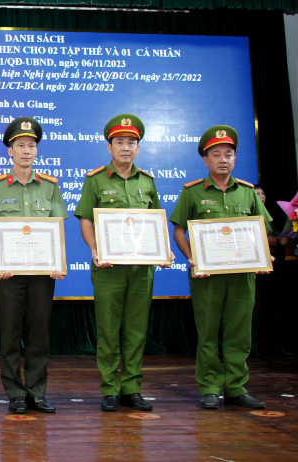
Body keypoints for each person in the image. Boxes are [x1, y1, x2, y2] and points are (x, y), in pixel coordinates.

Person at [74, 114, 173, 412]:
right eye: (120, 142)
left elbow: (156, 223)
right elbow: (87, 220)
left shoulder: (148, 182)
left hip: (142, 269)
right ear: (109, 147)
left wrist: (164, 250)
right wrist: (94, 249)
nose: (126, 147)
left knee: (136, 329)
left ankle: (132, 387)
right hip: (108, 269)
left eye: (132, 142)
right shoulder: (95, 180)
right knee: (108, 328)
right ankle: (110, 389)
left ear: (138, 148)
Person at [169, 125, 273, 410]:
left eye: (229, 154)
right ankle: (211, 387)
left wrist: (264, 256)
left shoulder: (249, 193)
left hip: (242, 276)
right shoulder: (191, 192)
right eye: (216, 154)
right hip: (208, 276)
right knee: (209, 331)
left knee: (239, 332)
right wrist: (192, 258)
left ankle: (236, 387)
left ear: (235, 158)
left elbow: (260, 229)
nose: (223, 159)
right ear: (206, 160)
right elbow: (179, 231)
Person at [0, 117, 68, 414]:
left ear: (37, 150)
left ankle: (37, 391)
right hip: (10, 273)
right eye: (20, 145)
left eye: (31, 146)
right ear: (10, 151)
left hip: (44, 274)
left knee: (40, 333)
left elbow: (56, 230)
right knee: (10, 334)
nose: (26, 151)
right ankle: (15, 392)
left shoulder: (51, 187)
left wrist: (58, 262)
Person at [250, 185, 279, 356]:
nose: (261, 196)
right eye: (257, 193)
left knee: (269, 306)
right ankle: (252, 344)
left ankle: (269, 342)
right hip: (256, 267)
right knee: (254, 306)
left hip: (272, 267)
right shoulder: (250, 214)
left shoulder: (268, 216)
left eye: (263, 193)